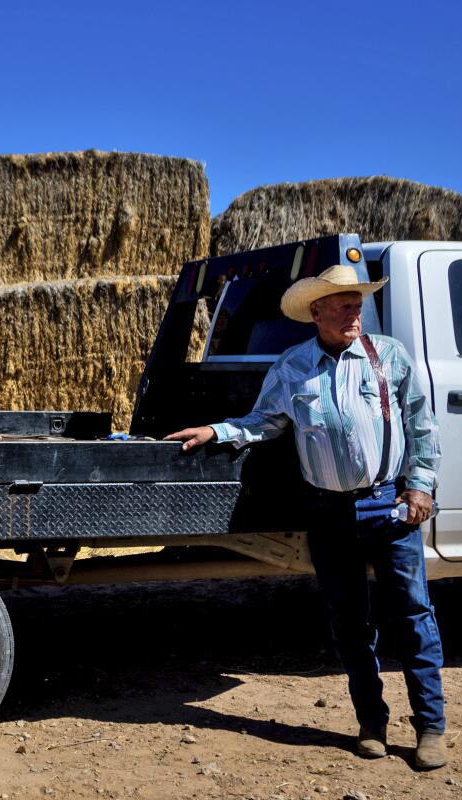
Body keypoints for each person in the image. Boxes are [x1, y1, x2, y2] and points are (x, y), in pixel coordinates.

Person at [165, 264, 447, 770]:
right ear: (316, 313)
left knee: (412, 615)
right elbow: (264, 422)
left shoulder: (390, 356)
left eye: (357, 304)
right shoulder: (293, 366)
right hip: (328, 512)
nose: (355, 313)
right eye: (343, 306)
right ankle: (372, 724)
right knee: (349, 622)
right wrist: (216, 431)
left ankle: (431, 727)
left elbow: (421, 426)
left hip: (390, 507)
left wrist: (420, 486)